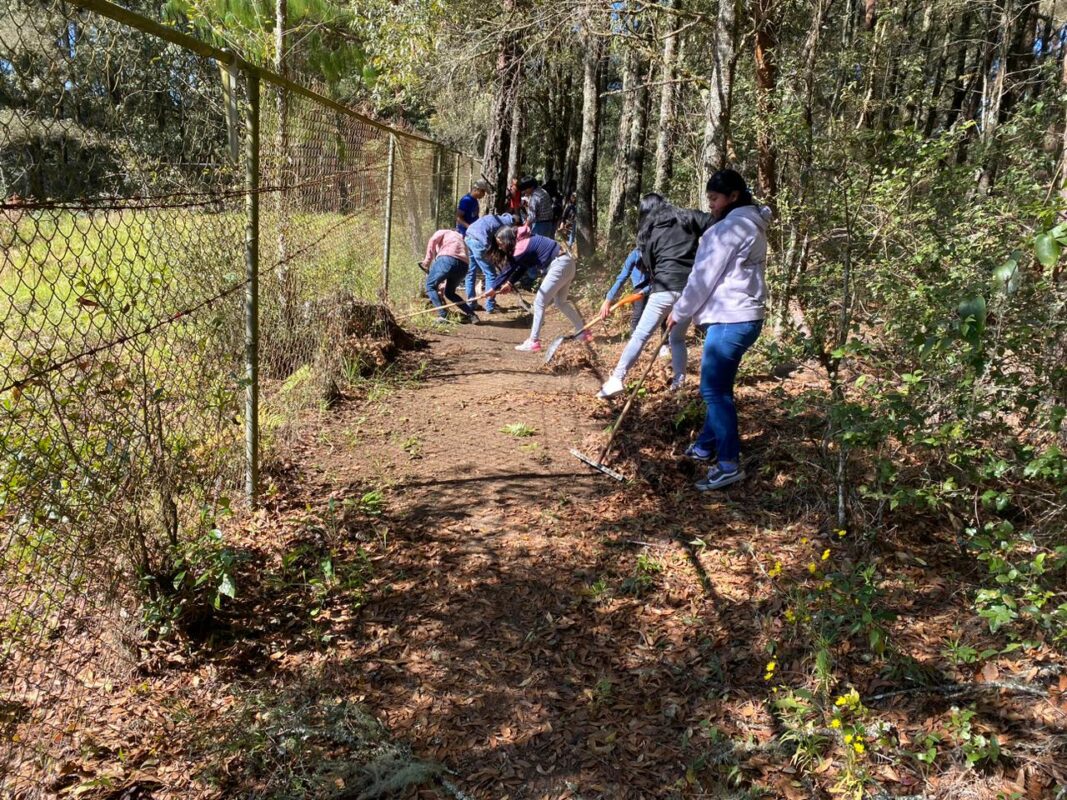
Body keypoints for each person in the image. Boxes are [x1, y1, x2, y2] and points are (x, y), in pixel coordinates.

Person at [668, 169, 769, 491]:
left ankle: (728, 464)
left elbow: (703, 277)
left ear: (733, 197)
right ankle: (705, 446)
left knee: (714, 391)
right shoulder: (750, 223)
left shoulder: (730, 229)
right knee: (719, 387)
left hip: (732, 317)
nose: (710, 205)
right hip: (743, 316)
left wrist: (679, 311)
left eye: (714, 199)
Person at [596, 193, 714, 399]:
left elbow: (651, 268)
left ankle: (617, 378)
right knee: (677, 338)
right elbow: (714, 222)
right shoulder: (689, 217)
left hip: (664, 289)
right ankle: (679, 382)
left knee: (640, 335)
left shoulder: (649, 233)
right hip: (691, 291)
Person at [489, 227, 588, 352]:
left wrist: (493, 288)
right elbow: (522, 267)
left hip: (558, 266)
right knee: (560, 302)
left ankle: (533, 341)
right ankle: (582, 332)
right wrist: (509, 283)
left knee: (539, 303)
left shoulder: (521, 246)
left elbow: (509, 268)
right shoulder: (526, 240)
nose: (500, 247)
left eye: (501, 244)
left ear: (508, 240)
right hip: (567, 263)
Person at [463, 211, 518, 314]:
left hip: (468, 238)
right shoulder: (505, 226)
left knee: (470, 272)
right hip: (478, 242)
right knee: (491, 274)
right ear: (513, 223)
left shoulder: (496, 218)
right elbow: (500, 243)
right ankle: (490, 306)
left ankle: (472, 303)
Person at [421, 228, 479, 324]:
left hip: (447, 259)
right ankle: (472, 315)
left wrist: (427, 261)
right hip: (463, 266)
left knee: (430, 286)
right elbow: (454, 264)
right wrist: (442, 284)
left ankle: (443, 315)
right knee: (450, 293)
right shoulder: (461, 240)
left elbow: (432, 240)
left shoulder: (443, 232)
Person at [599, 247, 648, 335]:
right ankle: (634, 338)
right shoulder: (634, 255)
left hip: (656, 281)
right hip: (639, 282)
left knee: (665, 310)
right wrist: (608, 300)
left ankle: (665, 344)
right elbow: (621, 278)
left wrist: (646, 290)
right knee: (638, 311)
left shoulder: (658, 255)